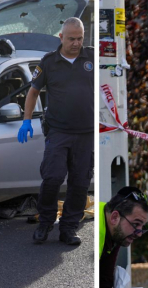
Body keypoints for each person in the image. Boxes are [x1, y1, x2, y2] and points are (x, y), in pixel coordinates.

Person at [18, 17, 95, 246]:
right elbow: (33, 92)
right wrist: (27, 121)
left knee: (80, 183)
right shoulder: (49, 62)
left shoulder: (91, 57)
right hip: (59, 131)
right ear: (61, 37)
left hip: (86, 133)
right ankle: (45, 223)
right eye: (71, 38)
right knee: (52, 178)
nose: (76, 43)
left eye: (80, 38)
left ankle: (69, 228)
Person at [98, 187, 148, 288]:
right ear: (115, 217)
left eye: (142, 227)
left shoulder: (114, 232)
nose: (139, 233)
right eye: (136, 224)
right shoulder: (98, 232)